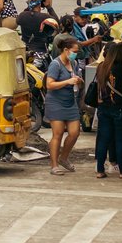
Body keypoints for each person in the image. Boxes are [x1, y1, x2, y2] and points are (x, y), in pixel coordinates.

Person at [92, 41, 122, 179]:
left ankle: (100, 170)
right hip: (119, 108)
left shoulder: (100, 67)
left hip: (103, 108)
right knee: (119, 141)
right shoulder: (120, 68)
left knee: (103, 140)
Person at [44, 35, 82, 175]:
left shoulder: (75, 64)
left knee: (74, 133)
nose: (75, 54)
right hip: (56, 103)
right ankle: (54, 165)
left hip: (70, 102)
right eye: (74, 51)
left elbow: (75, 79)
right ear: (66, 50)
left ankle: (64, 158)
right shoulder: (56, 64)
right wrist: (67, 82)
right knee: (58, 134)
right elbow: (50, 84)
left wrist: (78, 81)